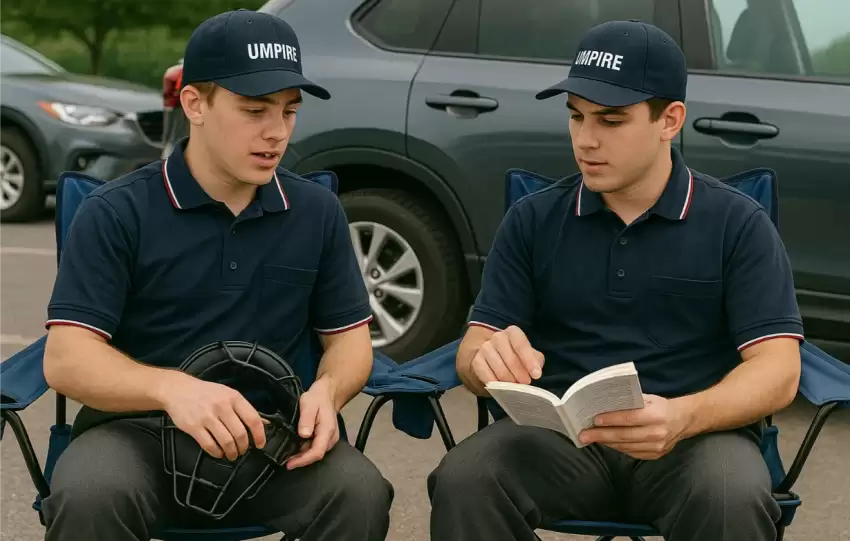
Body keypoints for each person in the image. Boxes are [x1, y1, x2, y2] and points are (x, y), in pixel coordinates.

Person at [428, 20, 803, 541]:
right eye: (576, 117)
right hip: (560, 445)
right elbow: (475, 348)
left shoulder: (736, 224)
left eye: (610, 120)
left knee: (730, 494)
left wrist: (683, 417)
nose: (586, 140)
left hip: (691, 442)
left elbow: (780, 369)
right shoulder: (534, 220)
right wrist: (483, 359)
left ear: (669, 120)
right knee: (466, 477)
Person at [40, 9, 392, 541]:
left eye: (288, 111)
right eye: (254, 110)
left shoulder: (316, 211)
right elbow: (67, 359)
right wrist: (171, 389)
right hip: (138, 435)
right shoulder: (117, 212)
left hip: (271, 440)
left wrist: (329, 391)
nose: (276, 132)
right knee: (89, 494)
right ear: (194, 104)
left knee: (359, 492)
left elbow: (350, 343)